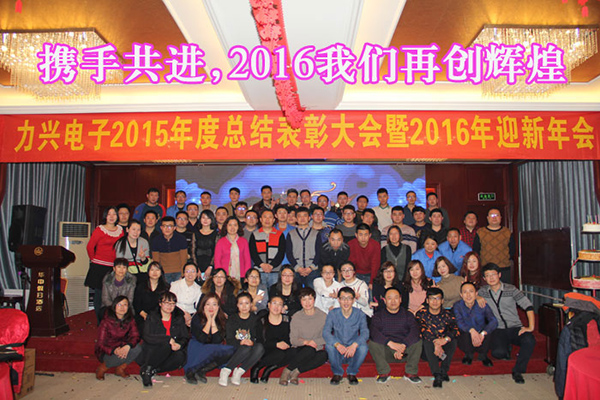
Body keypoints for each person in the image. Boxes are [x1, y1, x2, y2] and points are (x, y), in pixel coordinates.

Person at [479, 263, 536, 384]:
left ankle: (518, 370)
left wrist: (530, 327)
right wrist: (477, 297)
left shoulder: (511, 289)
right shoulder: (483, 292)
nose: (491, 278)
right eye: (487, 275)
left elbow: (528, 306)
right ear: (484, 278)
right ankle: (506, 348)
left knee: (529, 340)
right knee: (498, 353)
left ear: (499, 275)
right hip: (498, 329)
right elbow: (468, 297)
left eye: (493, 274)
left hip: (515, 327)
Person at [368, 287, 423, 384]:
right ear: (384, 301)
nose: (393, 301)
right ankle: (384, 372)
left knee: (418, 341)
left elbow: (415, 331)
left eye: (396, 298)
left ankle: (411, 372)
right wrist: (390, 344)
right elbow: (374, 332)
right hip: (387, 352)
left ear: (400, 299)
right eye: (389, 298)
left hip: (404, 352)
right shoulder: (378, 316)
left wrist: (403, 345)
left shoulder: (408, 315)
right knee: (373, 343)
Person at [138, 291, 189, 388]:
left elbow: (185, 337)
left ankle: (151, 370)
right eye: (166, 303)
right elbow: (147, 336)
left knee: (180, 356)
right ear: (160, 303)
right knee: (165, 344)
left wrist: (179, 345)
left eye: (172, 304)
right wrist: (167, 339)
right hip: (153, 349)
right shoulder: (152, 316)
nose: (170, 306)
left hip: (171, 351)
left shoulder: (178, 317)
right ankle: (148, 370)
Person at [184, 293, 235, 384]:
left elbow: (217, 341)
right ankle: (191, 371)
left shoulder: (222, 318)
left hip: (212, 347)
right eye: (208, 304)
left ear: (218, 306)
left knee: (230, 350)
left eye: (214, 304)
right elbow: (202, 339)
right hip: (198, 345)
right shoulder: (197, 317)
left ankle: (202, 370)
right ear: (203, 306)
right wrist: (209, 320)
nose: (211, 307)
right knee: (210, 349)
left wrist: (213, 321)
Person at [323, 287, 370, 386]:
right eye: (343, 298)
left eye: (349, 298)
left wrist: (355, 345)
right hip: (338, 349)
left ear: (353, 300)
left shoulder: (360, 314)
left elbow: (365, 333)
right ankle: (337, 373)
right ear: (338, 300)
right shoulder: (332, 313)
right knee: (329, 346)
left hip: (352, 350)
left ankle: (352, 372)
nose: (346, 301)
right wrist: (337, 344)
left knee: (363, 347)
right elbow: (326, 332)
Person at [283, 287, 329, 385]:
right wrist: (306, 342)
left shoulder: (323, 316)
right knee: (309, 350)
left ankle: (296, 372)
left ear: (314, 300)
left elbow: (326, 337)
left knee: (323, 355)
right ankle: (287, 371)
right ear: (300, 301)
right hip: (299, 349)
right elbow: (293, 340)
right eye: (304, 299)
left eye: (310, 299)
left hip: (315, 348)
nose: (307, 303)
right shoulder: (296, 317)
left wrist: (314, 342)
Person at [86, 206, 124, 323]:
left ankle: (111, 320)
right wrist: (94, 260)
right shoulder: (100, 229)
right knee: (99, 295)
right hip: (99, 267)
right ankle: (100, 321)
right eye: (109, 214)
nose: (112, 217)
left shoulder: (120, 230)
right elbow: (90, 247)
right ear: (105, 216)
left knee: (113, 295)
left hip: (113, 267)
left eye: (114, 214)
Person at [415, 287, 459, 388]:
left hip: (443, 350)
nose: (435, 302)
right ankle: (436, 373)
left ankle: (443, 370)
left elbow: (455, 330)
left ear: (442, 301)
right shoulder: (421, 314)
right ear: (427, 301)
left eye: (438, 298)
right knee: (427, 341)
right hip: (427, 351)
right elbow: (423, 331)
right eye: (432, 299)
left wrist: (445, 340)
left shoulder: (448, 314)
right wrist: (436, 343)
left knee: (452, 341)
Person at [220, 292, 265, 386]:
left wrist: (252, 342)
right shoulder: (232, 319)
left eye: (247, 303)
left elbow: (259, 338)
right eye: (241, 303)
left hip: (250, 347)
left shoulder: (256, 319)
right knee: (246, 348)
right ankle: (226, 370)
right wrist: (241, 342)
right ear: (237, 305)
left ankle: (239, 372)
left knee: (260, 348)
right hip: (235, 347)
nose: (244, 306)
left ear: (251, 304)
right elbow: (229, 339)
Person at [95, 296, 142, 380]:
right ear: (114, 306)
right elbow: (100, 344)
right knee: (118, 356)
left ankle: (120, 369)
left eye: (125, 305)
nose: (122, 307)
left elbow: (136, 336)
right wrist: (114, 350)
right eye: (119, 305)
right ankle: (102, 368)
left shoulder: (130, 320)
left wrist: (128, 346)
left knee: (137, 348)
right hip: (108, 351)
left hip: (123, 347)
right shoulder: (106, 322)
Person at [453, 281, 497, 367]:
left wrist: (483, 333)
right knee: (462, 331)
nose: (468, 295)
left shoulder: (482, 304)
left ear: (476, 293)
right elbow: (459, 321)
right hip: (467, 334)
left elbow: (493, 320)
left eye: (471, 291)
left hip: (481, 333)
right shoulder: (457, 306)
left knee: (489, 329)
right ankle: (468, 354)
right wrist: (471, 330)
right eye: (465, 292)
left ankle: (483, 355)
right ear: (461, 295)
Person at [250, 295, 292, 383]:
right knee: (280, 354)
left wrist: (287, 344)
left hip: (282, 349)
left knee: (293, 352)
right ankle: (257, 367)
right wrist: (276, 344)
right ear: (269, 305)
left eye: (280, 304)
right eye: (274, 303)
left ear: (282, 307)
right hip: (267, 348)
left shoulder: (287, 320)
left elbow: (290, 338)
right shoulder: (261, 320)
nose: (276, 307)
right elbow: (260, 341)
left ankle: (269, 369)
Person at [473, 208, 515, 284]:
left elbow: (512, 250)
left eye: (497, 215)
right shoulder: (480, 232)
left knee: (505, 290)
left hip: (504, 269)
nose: (494, 217)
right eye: (492, 215)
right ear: (487, 218)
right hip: (486, 269)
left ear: (500, 217)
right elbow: (476, 250)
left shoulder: (507, 232)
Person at [249, 209, 286, 288]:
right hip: (259, 272)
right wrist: (261, 265)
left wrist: (272, 265)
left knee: (274, 292)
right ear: (260, 219)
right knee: (260, 292)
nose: (267, 219)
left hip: (275, 271)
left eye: (270, 217)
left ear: (273, 220)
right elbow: (253, 252)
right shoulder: (255, 234)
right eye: (265, 217)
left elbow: (281, 252)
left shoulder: (280, 235)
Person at [286, 206, 320, 288]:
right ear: (296, 219)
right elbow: (289, 252)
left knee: (312, 292)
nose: (302, 218)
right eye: (299, 216)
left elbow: (319, 252)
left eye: (305, 216)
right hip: (296, 269)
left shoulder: (316, 233)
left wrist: (310, 267)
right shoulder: (291, 234)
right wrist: (298, 268)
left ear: (309, 218)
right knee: (296, 292)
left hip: (312, 270)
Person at [133, 261, 170, 331]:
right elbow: (136, 303)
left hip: (159, 317)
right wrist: (144, 315)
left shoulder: (166, 287)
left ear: (161, 272)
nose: (155, 272)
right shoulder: (141, 286)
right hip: (142, 316)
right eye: (152, 270)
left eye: (157, 270)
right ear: (148, 272)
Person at [151, 216, 189, 283]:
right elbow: (156, 260)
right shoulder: (156, 240)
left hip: (178, 272)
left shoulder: (181, 239)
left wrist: (183, 274)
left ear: (174, 228)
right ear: (161, 227)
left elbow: (183, 259)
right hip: (164, 272)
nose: (167, 229)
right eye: (164, 226)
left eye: (170, 226)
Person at [214, 216, 252, 280]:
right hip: (225, 276)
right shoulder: (221, 242)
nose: (232, 228)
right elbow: (217, 260)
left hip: (241, 275)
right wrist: (219, 275)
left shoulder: (244, 241)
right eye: (230, 225)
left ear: (238, 227)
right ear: (226, 226)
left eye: (235, 225)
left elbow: (247, 260)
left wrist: (247, 275)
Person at [169, 261, 202, 327]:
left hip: (191, 314)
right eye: (187, 271)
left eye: (193, 271)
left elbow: (198, 307)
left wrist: (190, 319)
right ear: (184, 273)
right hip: (175, 312)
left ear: (197, 273)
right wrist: (183, 313)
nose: (190, 274)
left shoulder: (199, 289)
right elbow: (170, 302)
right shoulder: (175, 285)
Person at [195, 209, 218, 277]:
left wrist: (210, 266)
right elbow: (193, 251)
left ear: (212, 220)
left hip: (211, 265)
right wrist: (196, 267)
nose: (205, 220)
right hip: (198, 264)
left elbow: (216, 252)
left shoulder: (216, 234)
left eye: (208, 218)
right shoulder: (195, 233)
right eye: (203, 217)